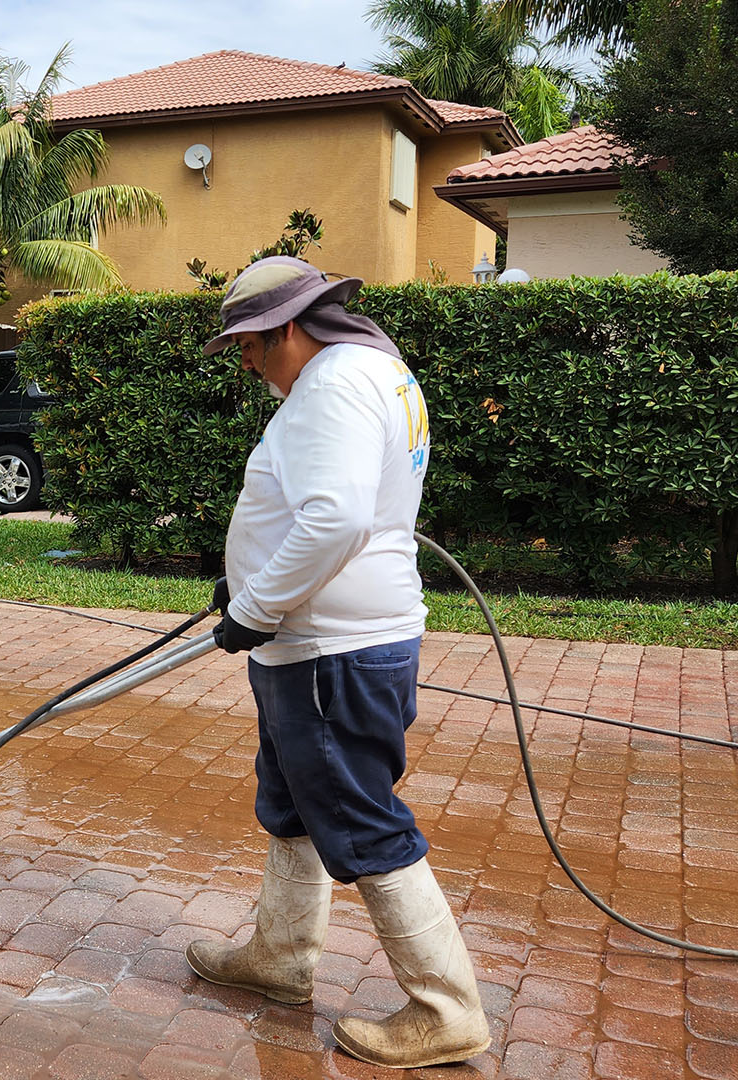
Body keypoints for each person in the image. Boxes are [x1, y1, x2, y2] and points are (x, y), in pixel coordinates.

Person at [184, 256, 489, 1069]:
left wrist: (253, 606)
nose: (245, 359)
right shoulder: (375, 374)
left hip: (331, 652)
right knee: (291, 801)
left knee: (359, 818)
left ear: (290, 327)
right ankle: (279, 959)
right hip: (319, 643)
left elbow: (338, 517)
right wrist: (250, 577)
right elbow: (327, 508)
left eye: (250, 342)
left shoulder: (332, 385)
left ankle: (446, 1007)